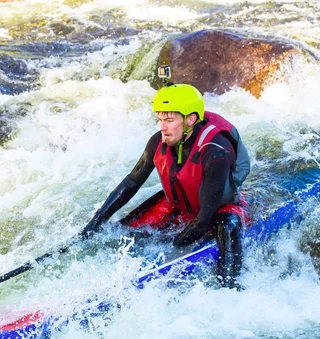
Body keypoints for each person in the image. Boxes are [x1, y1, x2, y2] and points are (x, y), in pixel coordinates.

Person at [81, 83, 251, 289]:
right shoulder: (157, 141)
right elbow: (132, 181)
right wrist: (97, 221)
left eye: (169, 120)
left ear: (191, 119)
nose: (163, 127)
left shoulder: (215, 151)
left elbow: (206, 217)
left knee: (227, 226)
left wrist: (172, 247)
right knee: (122, 233)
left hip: (217, 210)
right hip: (178, 208)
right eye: (160, 119)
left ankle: (230, 287)